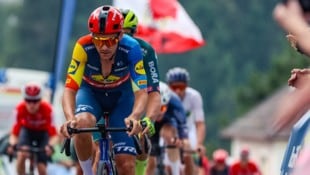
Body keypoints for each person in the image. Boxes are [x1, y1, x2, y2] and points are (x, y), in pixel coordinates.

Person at [59, 5, 148, 175]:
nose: (104, 47)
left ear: (120, 35)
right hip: (91, 95)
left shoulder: (132, 48)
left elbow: (141, 92)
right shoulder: (83, 46)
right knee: (82, 122)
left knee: (127, 166)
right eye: (99, 40)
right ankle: (87, 172)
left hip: (122, 98)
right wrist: (70, 119)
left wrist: (135, 117)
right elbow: (70, 89)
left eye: (110, 40)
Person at [119, 8, 161, 175]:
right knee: (96, 149)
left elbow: (154, 92)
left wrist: (149, 119)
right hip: (108, 97)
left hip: (134, 99)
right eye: (117, 33)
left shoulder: (144, 51)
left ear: (135, 33)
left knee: (141, 138)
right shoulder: (103, 47)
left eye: (127, 34)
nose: (121, 38)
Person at [7, 82, 58, 175]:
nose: (31, 104)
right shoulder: (19, 108)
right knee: (22, 153)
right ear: (24, 99)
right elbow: (14, 133)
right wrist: (12, 145)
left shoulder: (48, 109)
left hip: (43, 134)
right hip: (27, 132)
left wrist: (50, 147)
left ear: (40, 100)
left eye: (35, 101)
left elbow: (54, 136)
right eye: (28, 100)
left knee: (41, 168)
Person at [166, 67, 207, 175]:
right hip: (170, 130)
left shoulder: (194, 96)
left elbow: (200, 124)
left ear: (186, 85)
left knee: (189, 158)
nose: (178, 90)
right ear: (169, 86)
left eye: (181, 86)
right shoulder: (165, 95)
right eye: (174, 87)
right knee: (167, 165)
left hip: (188, 131)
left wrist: (199, 144)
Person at [146, 81, 189, 175]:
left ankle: (175, 172)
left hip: (167, 123)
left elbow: (182, 126)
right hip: (150, 124)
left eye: (163, 108)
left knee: (169, 135)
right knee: (150, 161)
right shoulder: (145, 102)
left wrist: (181, 140)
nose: (160, 113)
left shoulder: (175, 102)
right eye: (157, 109)